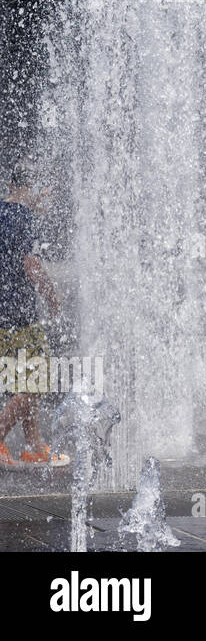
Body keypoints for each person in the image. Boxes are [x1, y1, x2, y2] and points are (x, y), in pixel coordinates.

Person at [0, 160, 69, 469]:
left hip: (3, 315)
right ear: (25, 188)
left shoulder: (2, 212)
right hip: (21, 316)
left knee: (22, 382)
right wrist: (53, 300)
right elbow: (32, 266)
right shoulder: (24, 217)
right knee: (33, 384)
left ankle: (34, 446)